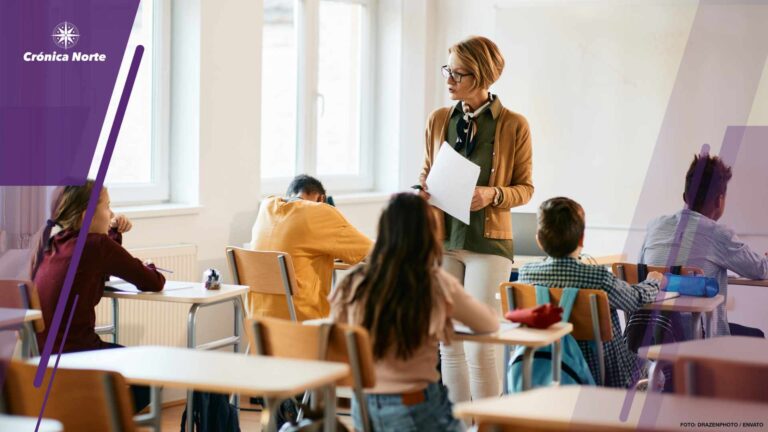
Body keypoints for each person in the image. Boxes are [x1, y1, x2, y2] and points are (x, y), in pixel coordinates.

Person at [419, 35, 533, 402]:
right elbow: (426, 171)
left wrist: (492, 194)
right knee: (449, 343)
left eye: (458, 73)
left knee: (480, 343)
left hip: (488, 243)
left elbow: (526, 188)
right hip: (443, 241)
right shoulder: (438, 120)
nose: (449, 79)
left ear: (482, 76)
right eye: (447, 70)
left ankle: (488, 425)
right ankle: (458, 425)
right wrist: (422, 189)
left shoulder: (514, 125)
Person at [330, 193, 498, 432]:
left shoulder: (354, 284)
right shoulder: (433, 282)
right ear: (428, 234)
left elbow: (337, 339)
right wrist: (444, 314)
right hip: (415, 407)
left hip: (363, 405)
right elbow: (488, 323)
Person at [30, 180, 165, 411]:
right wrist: (151, 266)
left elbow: (96, 272)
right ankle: (102, 421)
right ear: (87, 216)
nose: (112, 213)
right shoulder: (96, 245)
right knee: (154, 372)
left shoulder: (51, 243)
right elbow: (152, 282)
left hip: (43, 357)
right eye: (107, 207)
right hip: (81, 354)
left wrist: (112, 232)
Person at [518, 197, 663, 387]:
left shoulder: (526, 275)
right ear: (582, 239)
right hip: (604, 375)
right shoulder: (597, 278)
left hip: (545, 372)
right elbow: (635, 299)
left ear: (538, 239)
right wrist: (653, 281)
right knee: (657, 373)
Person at [640, 152, 768, 338]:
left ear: (685, 196)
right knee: (757, 336)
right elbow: (760, 270)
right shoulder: (719, 235)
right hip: (697, 342)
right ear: (719, 200)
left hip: (651, 338)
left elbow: (641, 273)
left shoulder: (654, 226)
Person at [250, 174, 372, 321]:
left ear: (290, 195)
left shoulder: (267, 207)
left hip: (258, 325)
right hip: (303, 324)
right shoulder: (319, 211)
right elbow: (371, 252)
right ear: (321, 199)